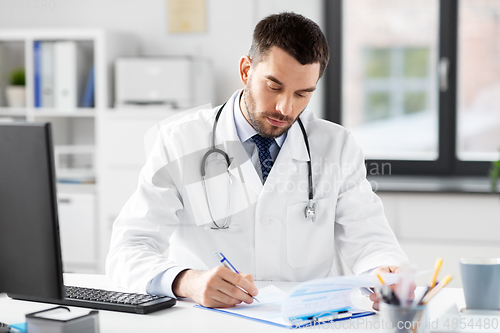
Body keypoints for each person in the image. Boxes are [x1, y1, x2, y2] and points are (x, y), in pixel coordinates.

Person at [106, 12, 412, 310]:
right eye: (274, 86)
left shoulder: (336, 146)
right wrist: (187, 281)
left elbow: (371, 240)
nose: (285, 108)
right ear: (245, 70)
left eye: (303, 94)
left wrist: (384, 273)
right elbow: (128, 249)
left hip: (308, 320)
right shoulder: (181, 141)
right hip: (211, 321)